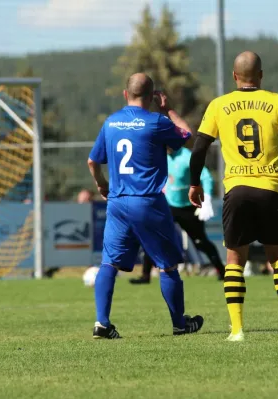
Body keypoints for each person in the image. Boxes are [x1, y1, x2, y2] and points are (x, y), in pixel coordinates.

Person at [188, 51, 278, 341]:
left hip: (238, 190)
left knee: (234, 260)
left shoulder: (219, 105)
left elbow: (200, 149)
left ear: (234, 76)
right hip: (271, 189)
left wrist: (195, 183)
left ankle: (238, 330)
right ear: (261, 75)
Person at [87, 73, 204, 339]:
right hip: (148, 201)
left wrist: (101, 185)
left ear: (125, 94)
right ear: (152, 97)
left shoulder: (111, 122)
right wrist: (168, 109)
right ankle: (179, 323)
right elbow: (190, 136)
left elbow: (93, 162)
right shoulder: (157, 122)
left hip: (117, 202)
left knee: (109, 264)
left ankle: (102, 323)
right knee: (168, 265)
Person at [130, 147, 225, 284]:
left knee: (200, 242)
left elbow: (206, 177)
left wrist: (207, 198)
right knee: (153, 239)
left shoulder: (187, 157)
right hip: (168, 206)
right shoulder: (160, 156)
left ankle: (222, 272)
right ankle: (145, 276)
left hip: (188, 207)